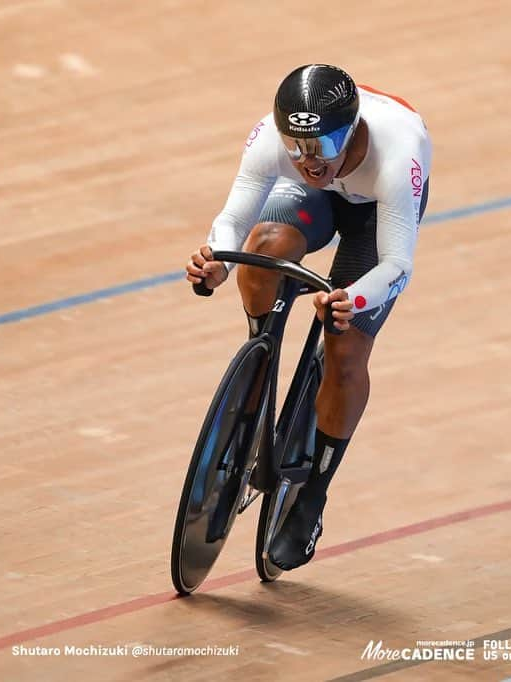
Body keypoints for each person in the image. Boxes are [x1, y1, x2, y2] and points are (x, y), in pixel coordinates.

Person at [184, 64, 432, 570]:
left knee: (344, 348)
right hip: (320, 205)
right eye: (296, 146)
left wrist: (353, 301)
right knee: (264, 249)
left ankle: (312, 496)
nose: (308, 160)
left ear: (354, 128)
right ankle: (262, 356)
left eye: (322, 145)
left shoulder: (397, 152)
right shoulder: (278, 143)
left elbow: (397, 265)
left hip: (375, 222)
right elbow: (233, 221)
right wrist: (218, 260)